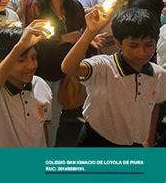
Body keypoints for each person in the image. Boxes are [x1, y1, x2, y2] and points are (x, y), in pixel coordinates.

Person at [61, 8, 166, 147]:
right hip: (96, 139)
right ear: (118, 43)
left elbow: (155, 105)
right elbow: (69, 68)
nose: (142, 52)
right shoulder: (104, 65)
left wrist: (149, 138)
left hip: (135, 143)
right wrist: (90, 32)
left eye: (148, 45)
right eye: (133, 45)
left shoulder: (158, 74)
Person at [24, 0, 90, 146]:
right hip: (42, 68)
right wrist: (63, 39)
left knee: (55, 117)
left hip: (65, 69)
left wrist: (88, 38)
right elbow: (33, 38)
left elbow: (80, 33)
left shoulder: (74, 6)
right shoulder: (35, 4)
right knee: (40, 115)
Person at [0, 24, 52, 147]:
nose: (31, 65)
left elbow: (43, 128)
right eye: (21, 60)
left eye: (33, 57)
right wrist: (19, 47)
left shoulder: (40, 85)